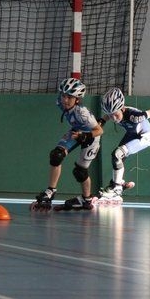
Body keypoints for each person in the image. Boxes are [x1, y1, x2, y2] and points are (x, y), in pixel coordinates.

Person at [32, 77, 103, 211]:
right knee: (56, 155)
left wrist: (85, 136)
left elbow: (99, 130)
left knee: (80, 172)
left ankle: (86, 200)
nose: (65, 100)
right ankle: (51, 191)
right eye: (63, 96)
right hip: (76, 131)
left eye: (69, 97)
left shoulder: (82, 113)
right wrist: (78, 134)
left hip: (91, 137)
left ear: (77, 99)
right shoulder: (59, 102)